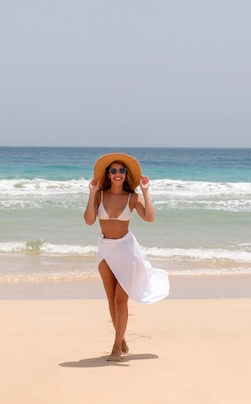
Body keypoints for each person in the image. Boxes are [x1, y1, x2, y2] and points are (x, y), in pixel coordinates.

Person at [84, 153, 169, 361]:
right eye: (113, 170)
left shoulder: (132, 197)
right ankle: (121, 339)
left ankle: (115, 348)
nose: (118, 174)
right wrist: (92, 193)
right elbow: (89, 220)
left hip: (127, 251)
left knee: (121, 300)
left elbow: (149, 218)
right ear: (108, 174)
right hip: (105, 250)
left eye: (121, 170)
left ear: (126, 174)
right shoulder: (100, 195)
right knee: (111, 302)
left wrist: (145, 192)